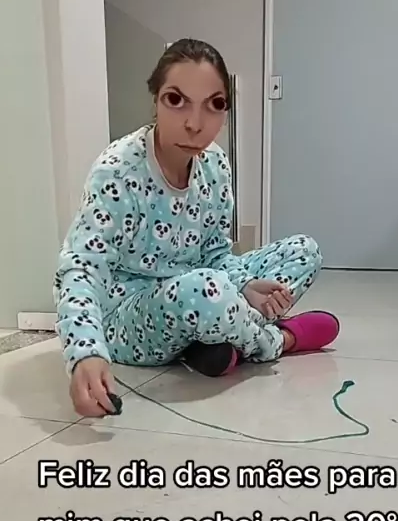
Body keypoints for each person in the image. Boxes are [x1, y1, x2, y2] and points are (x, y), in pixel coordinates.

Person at [53, 38, 339, 418]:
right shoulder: (119, 171)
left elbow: (216, 253)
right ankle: (276, 340)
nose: (195, 124)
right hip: (129, 316)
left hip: (203, 287)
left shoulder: (215, 164)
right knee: (205, 290)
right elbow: (82, 266)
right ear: (155, 100)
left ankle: (215, 338)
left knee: (304, 251)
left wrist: (244, 285)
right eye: (176, 100)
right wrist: (85, 351)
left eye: (215, 104)